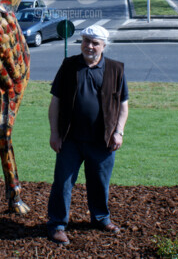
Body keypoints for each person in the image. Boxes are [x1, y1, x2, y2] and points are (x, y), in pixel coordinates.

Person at [47, 24, 129, 245]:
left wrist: (119, 132)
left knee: (99, 183)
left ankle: (101, 218)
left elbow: (123, 106)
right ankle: (57, 225)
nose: (89, 46)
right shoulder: (68, 66)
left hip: (102, 142)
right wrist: (55, 133)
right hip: (70, 140)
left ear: (103, 46)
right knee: (62, 184)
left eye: (95, 43)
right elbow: (55, 103)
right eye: (86, 41)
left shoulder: (116, 69)